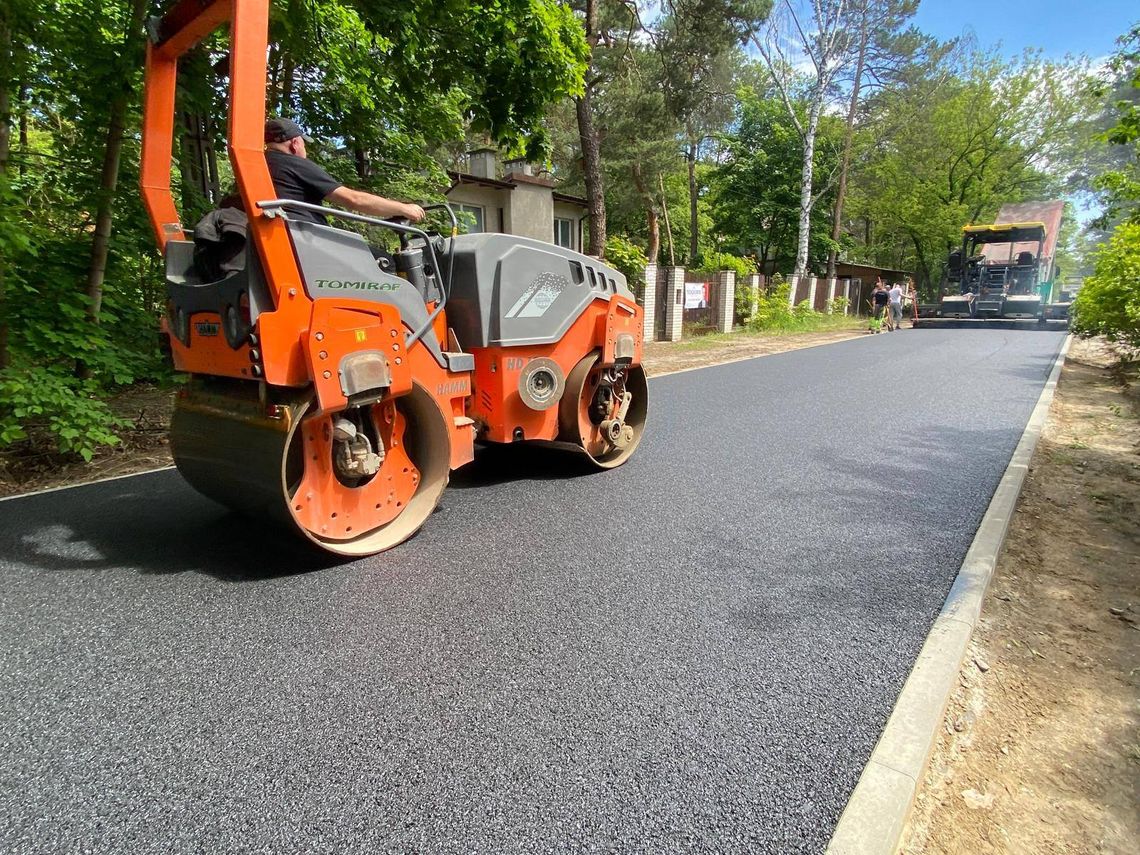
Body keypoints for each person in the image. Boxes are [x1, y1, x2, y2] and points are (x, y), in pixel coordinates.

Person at [262, 118, 425, 225]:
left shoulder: (263, 164)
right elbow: (354, 200)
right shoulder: (294, 163)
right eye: (305, 144)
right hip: (309, 245)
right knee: (386, 264)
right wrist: (404, 208)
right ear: (295, 143)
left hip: (293, 239)